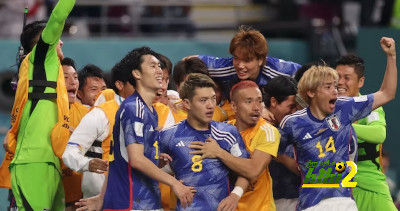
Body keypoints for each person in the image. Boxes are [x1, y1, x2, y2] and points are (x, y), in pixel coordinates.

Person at [278, 37, 397, 211]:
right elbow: (272, 151)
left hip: (344, 202)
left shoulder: (344, 109)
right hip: (311, 204)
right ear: (311, 92)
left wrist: (391, 56)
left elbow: (387, 93)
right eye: (328, 87)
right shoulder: (292, 123)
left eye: (335, 85)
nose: (336, 89)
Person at [76, 46, 195, 211]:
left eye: (159, 66)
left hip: (146, 202)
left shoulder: (150, 111)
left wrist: (102, 198)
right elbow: (137, 160)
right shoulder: (133, 109)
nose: (159, 71)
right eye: (152, 66)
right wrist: (175, 183)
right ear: (137, 74)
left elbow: (117, 160)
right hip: (130, 203)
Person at [6, 0, 77, 208]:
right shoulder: (41, 56)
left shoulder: (45, 70)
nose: (61, 42)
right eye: (57, 39)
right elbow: (58, 16)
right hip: (34, 162)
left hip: (51, 162)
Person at [190, 79, 289, 210]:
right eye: (249, 101)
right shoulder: (222, 130)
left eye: (259, 101)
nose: (256, 107)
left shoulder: (268, 131)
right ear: (234, 107)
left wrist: (219, 152)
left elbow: (253, 170)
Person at [159, 73, 250, 210]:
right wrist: (172, 182)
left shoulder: (228, 132)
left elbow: (247, 170)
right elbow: (148, 166)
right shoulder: (168, 135)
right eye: (203, 100)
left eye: (213, 99)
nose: (210, 105)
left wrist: (235, 195)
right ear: (187, 104)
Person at [186, 26, 301, 119]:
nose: (240, 66)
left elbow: (311, 76)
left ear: (260, 60)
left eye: (247, 60)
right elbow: (187, 62)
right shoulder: (225, 67)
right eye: (236, 58)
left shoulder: (280, 70)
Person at [62, 55, 135, 198]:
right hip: (76, 191)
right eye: (94, 89)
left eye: (103, 88)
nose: (100, 93)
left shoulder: (118, 111)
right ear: (80, 93)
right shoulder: (97, 115)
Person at [336, 54, 397, 211]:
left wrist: (342, 126)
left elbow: (379, 134)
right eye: (337, 77)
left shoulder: (369, 107)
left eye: (346, 77)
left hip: (371, 185)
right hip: (338, 188)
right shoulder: (327, 108)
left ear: (360, 81)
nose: (340, 82)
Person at [264, 76, 301, 211]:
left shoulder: (297, 126)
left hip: (294, 199)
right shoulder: (255, 125)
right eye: (291, 106)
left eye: (296, 107)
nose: (294, 112)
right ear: (273, 101)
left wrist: (278, 156)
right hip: (262, 202)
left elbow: (301, 169)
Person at [61, 57, 89, 210]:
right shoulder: (44, 115)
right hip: (53, 197)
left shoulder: (87, 115)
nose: (73, 82)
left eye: (75, 77)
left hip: (81, 199)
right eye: (65, 77)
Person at [172, 57, 227, 122]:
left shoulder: (219, 112)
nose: (196, 88)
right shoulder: (168, 112)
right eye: (189, 84)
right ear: (178, 87)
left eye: (201, 84)